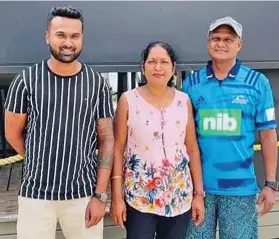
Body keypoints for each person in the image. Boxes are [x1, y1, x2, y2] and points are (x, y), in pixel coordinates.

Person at [4, 5, 114, 239]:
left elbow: (107, 141)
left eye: (74, 36)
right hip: (36, 195)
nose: (68, 42)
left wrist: (100, 196)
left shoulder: (96, 84)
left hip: (83, 196)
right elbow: (12, 133)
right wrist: (39, 158)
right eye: (60, 35)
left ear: (82, 38)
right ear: (47, 37)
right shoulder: (26, 81)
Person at [182, 16, 279, 239]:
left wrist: (271, 184)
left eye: (228, 38)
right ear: (208, 43)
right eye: (215, 38)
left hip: (240, 190)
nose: (221, 43)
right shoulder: (191, 83)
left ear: (239, 44)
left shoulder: (257, 82)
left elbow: (267, 135)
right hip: (198, 189)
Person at [110, 41, 205, 239]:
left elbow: (192, 148)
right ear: (143, 66)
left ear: (174, 67)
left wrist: (198, 195)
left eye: (164, 62)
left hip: (178, 198)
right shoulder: (128, 100)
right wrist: (117, 197)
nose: (158, 67)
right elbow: (117, 149)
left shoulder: (183, 100)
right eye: (152, 61)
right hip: (139, 197)